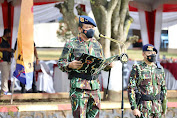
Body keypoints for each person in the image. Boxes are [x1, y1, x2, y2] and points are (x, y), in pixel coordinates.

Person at [58, 15, 111, 118]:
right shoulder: (71, 44)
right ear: (80, 29)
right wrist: (70, 65)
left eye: (92, 28)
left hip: (95, 88)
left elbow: (101, 63)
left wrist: (107, 66)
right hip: (79, 88)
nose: (91, 30)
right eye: (87, 27)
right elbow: (61, 63)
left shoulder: (97, 45)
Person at [128, 44, 167, 118]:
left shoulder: (159, 70)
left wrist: (164, 106)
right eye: (149, 53)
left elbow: (164, 89)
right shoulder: (138, 69)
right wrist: (134, 107)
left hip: (157, 108)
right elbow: (131, 88)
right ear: (143, 54)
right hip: (144, 108)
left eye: (153, 53)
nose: (152, 55)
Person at [0, 29, 14, 95]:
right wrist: (7, 49)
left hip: (8, 60)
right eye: (9, 34)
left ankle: (4, 90)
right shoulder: (0, 39)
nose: (10, 35)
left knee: (6, 75)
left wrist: (11, 51)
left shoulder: (7, 42)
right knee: (4, 76)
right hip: (2, 60)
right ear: (6, 33)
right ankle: (4, 90)